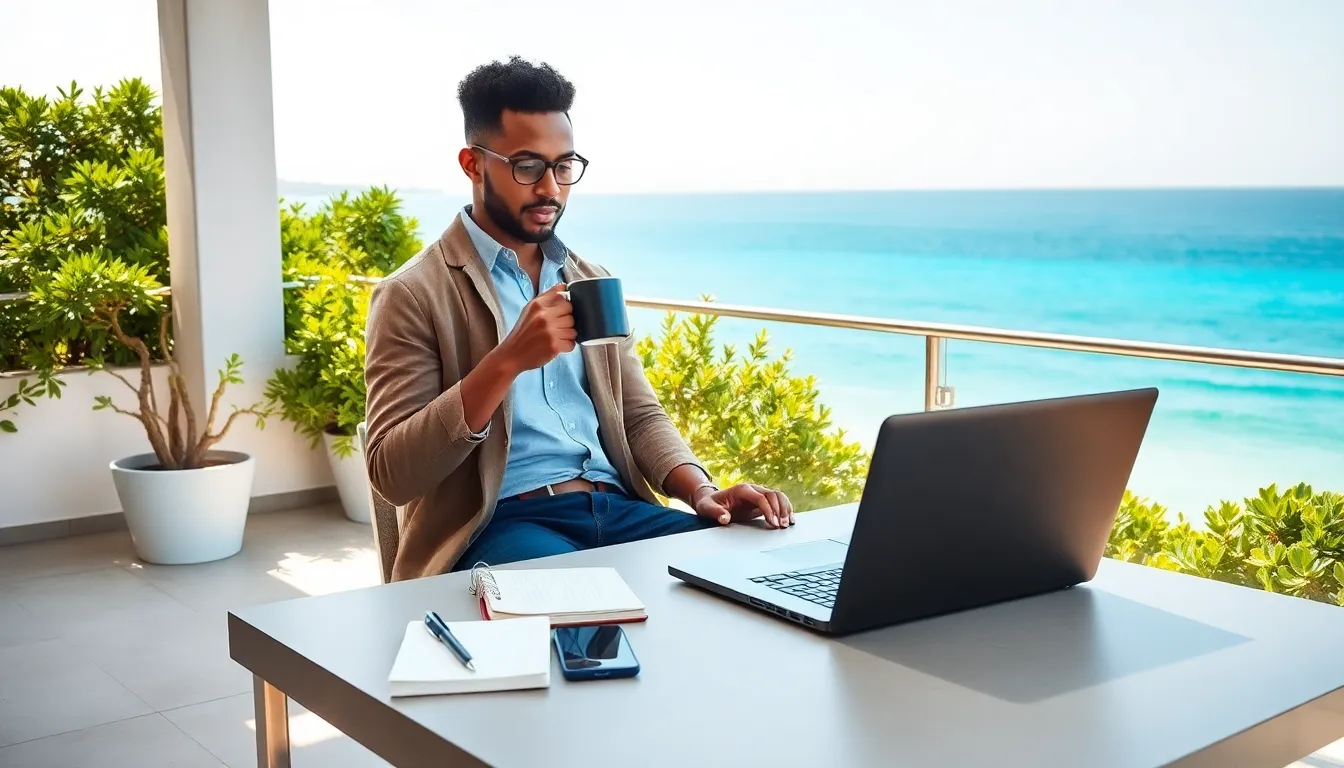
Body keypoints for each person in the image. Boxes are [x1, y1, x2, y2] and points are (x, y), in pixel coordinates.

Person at [363, 56, 793, 581]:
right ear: (473, 164)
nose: (551, 189)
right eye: (527, 166)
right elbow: (391, 473)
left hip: (616, 511)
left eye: (563, 166)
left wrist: (700, 490)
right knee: (586, 608)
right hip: (501, 526)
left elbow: (638, 415)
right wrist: (506, 362)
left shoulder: (589, 278)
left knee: (753, 573)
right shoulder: (410, 294)